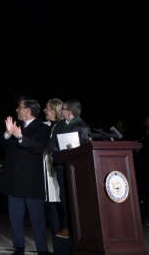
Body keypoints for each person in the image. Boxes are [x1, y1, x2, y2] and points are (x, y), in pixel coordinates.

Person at [0, 97, 50, 255]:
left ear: (28, 110)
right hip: (14, 181)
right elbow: (1, 145)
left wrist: (20, 137)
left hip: (32, 181)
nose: (16, 110)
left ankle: (42, 249)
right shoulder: (15, 126)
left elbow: (38, 148)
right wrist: (7, 134)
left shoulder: (42, 128)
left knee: (37, 218)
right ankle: (19, 246)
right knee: (15, 217)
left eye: (19, 107)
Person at [49, 99, 92, 239]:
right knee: (64, 199)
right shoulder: (59, 125)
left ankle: (80, 228)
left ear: (70, 112)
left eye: (64, 109)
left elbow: (86, 147)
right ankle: (66, 227)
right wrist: (58, 151)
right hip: (61, 167)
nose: (61, 111)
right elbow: (52, 144)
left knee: (76, 198)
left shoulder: (82, 125)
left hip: (76, 168)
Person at [42, 97, 63, 235]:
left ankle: (61, 235)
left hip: (56, 169)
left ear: (55, 111)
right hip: (48, 168)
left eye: (48, 109)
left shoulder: (60, 127)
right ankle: (57, 235)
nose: (44, 110)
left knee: (57, 204)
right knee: (51, 205)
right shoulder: (48, 125)